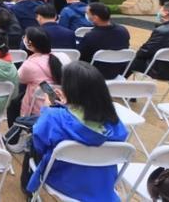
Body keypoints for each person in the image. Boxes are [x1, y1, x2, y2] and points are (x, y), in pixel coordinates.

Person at [24, 61, 128, 201]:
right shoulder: (114, 122)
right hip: (101, 183)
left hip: (63, 179)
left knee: (30, 142)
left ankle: (28, 190)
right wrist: (69, 104)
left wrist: (48, 109)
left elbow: (40, 146)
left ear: (69, 89)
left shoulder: (53, 117)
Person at [128, 1, 169, 79]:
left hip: (158, 71)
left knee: (128, 59)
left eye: (160, 10)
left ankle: (119, 82)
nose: (158, 12)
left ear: (165, 13)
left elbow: (145, 51)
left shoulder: (162, 30)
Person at [17, 27, 69, 118]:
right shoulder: (63, 57)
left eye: (25, 37)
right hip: (62, 105)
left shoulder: (29, 65)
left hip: (37, 110)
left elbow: (19, 79)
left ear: (30, 44)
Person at [78, 3, 131, 79]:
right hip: (116, 73)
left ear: (95, 18)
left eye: (87, 13)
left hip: (93, 75)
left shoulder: (91, 36)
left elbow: (80, 57)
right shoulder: (123, 31)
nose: (86, 15)